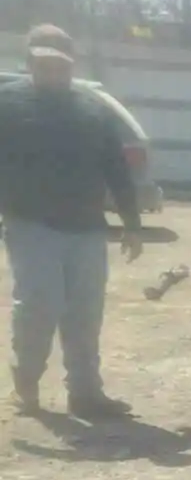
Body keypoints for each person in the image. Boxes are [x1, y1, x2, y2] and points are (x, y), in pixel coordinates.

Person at [0, 23, 143, 418]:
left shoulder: (92, 110)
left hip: (87, 227)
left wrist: (131, 224)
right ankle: (25, 383)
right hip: (30, 224)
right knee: (40, 302)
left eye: (59, 65)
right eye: (43, 63)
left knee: (85, 310)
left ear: (71, 66)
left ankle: (85, 392)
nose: (52, 72)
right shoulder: (7, 104)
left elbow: (116, 168)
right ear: (29, 62)